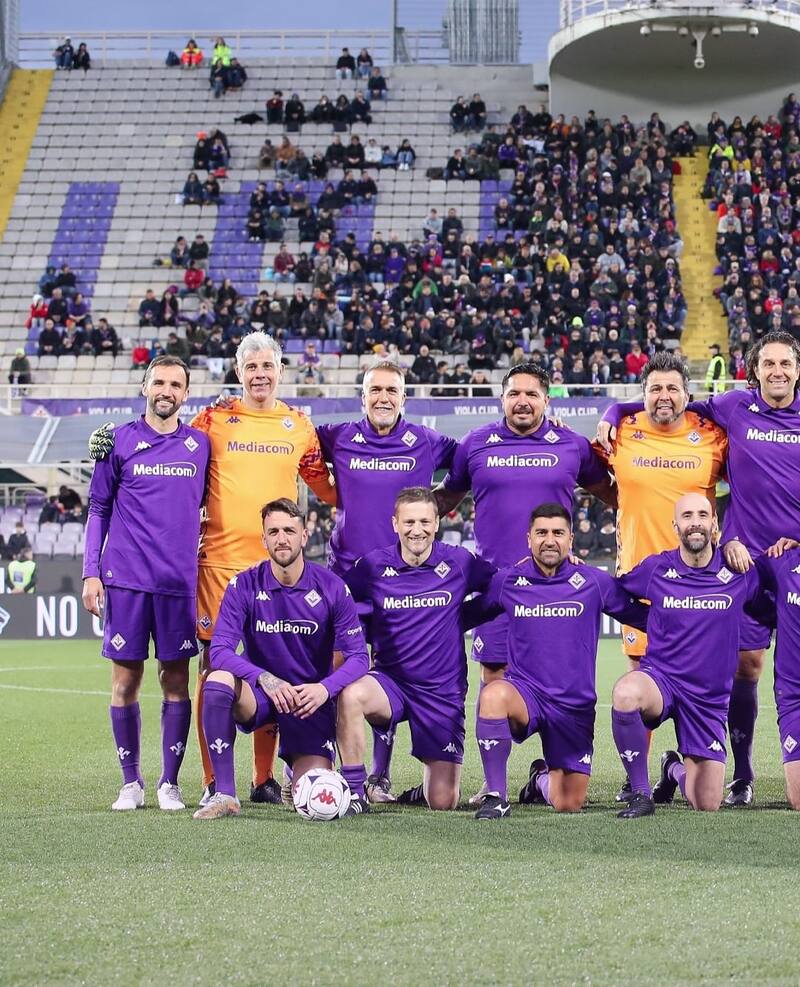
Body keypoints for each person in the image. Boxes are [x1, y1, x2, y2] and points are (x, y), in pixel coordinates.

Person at [88, 332, 337, 806]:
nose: (260, 375)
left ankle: (263, 778)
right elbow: (164, 434)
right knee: (211, 669)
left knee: (275, 667)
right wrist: (108, 440)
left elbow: (327, 487)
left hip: (276, 569)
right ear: (238, 372)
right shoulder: (212, 420)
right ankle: (209, 779)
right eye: (251, 367)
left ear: (280, 371)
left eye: (268, 366)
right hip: (216, 569)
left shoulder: (299, 426)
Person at [597, 331, 800, 806]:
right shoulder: (732, 408)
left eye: (785, 363)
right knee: (716, 668)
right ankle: (690, 776)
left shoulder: (730, 430)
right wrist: (613, 410)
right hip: (735, 562)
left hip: (778, 566)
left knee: (769, 671)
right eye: (767, 363)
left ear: (797, 369)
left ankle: (753, 767)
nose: (777, 371)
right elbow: (660, 402)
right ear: (753, 371)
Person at [435, 363, 615, 804]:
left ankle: (546, 773)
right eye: (514, 393)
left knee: (563, 676)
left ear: (546, 400)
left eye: (532, 394)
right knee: (494, 678)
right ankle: (492, 781)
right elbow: (445, 499)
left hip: (557, 585)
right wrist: (401, 517)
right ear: (502, 399)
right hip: (500, 589)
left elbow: (616, 492)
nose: (522, 401)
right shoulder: (476, 445)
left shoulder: (571, 445)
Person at [315, 360, 457, 802]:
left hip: (404, 584)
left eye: (391, 390)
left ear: (403, 398)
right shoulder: (337, 436)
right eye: (375, 389)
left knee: (389, 668)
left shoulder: (426, 442)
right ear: (363, 397)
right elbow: (292, 444)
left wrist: (440, 506)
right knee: (339, 674)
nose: (383, 397)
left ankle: (380, 776)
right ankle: (325, 767)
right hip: (349, 582)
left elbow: (471, 462)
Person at [591, 352, 728, 801]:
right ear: (642, 395)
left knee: (722, 671)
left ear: (687, 394)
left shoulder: (712, 438)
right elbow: (592, 477)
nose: (663, 396)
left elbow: (747, 483)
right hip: (642, 580)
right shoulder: (623, 433)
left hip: (700, 582)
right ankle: (641, 781)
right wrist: (614, 411)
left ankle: (703, 766)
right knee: (639, 677)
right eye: (654, 389)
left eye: (672, 388)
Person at [81, 356, 210, 812]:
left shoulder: (201, 445)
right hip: (126, 581)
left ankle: (169, 783)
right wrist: (90, 572)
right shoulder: (116, 442)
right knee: (125, 681)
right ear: (144, 387)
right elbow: (97, 509)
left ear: (186, 394)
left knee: (175, 680)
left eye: (176, 384)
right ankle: (130, 782)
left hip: (178, 584)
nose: (166, 390)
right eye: (159, 382)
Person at [465, 503, 648, 818]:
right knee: (493, 694)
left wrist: (694, 619)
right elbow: (464, 616)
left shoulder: (593, 583)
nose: (549, 540)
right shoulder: (509, 581)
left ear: (571, 539)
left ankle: (539, 779)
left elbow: (641, 616)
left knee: (568, 803)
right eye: (542, 533)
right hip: (526, 696)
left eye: (558, 533)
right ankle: (496, 796)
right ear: (529, 539)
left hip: (572, 706)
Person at [193, 498, 369, 819]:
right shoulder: (243, 585)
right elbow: (218, 651)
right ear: (263, 539)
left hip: (307, 702)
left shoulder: (332, 588)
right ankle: (225, 794)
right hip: (261, 696)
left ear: (304, 535)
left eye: (289, 530)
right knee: (215, 681)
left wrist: (323, 690)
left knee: (316, 797)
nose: (281, 538)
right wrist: (264, 678)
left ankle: (293, 771)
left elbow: (360, 658)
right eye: (273, 531)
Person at [338, 487, 496, 813]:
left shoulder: (460, 562)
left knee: (442, 802)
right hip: (390, 683)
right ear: (395, 523)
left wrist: (459, 619)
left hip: (441, 694)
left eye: (425, 521)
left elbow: (500, 586)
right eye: (409, 522)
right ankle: (354, 792)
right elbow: (335, 598)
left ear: (437, 523)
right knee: (351, 695)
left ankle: (422, 791)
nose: (417, 530)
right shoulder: (372, 566)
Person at [611, 494, 767, 818]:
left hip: (707, 699)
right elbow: (616, 594)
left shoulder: (738, 572)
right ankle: (640, 794)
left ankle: (672, 769)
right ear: (676, 525)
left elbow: (766, 609)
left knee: (706, 802)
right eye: (686, 516)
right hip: (662, 681)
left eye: (702, 514)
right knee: (626, 693)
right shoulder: (657, 568)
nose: (694, 521)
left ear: (714, 524)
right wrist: (651, 622)